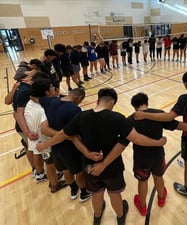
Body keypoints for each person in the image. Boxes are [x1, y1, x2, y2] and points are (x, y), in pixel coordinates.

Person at [36, 88, 167, 225]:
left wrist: (47, 144)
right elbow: (136, 139)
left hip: (90, 167)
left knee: (97, 194)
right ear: (112, 102)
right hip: (112, 167)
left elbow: (66, 134)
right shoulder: (117, 118)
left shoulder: (82, 116)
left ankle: (97, 218)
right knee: (114, 194)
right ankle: (120, 218)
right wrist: (157, 142)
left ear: (98, 100)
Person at [128, 92, 187, 216]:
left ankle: (143, 207)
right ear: (147, 102)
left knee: (142, 181)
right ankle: (161, 198)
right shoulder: (159, 114)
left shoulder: (131, 119)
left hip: (141, 158)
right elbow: (179, 126)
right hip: (158, 156)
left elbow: (122, 143)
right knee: (158, 177)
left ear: (134, 106)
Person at [39, 88, 92, 201]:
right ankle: (84, 193)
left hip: (56, 148)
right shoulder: (75, 109)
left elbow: (44, 127)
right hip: (70, 147)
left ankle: (73, 190)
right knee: (79, 172)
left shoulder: (53, 102)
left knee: (65, 170)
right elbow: (76, 132)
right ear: (79, 97)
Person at [24, 76, 67, 192]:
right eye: (51, 87)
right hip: (44, 140)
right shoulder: (42, 109)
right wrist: (62, 134)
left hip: (34, 137)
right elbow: (45, 129)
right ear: (46, 92)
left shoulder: (30, 102)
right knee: (50, 162)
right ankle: (54, 185)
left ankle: (41, 174)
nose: (54, 88)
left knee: (39, 154)